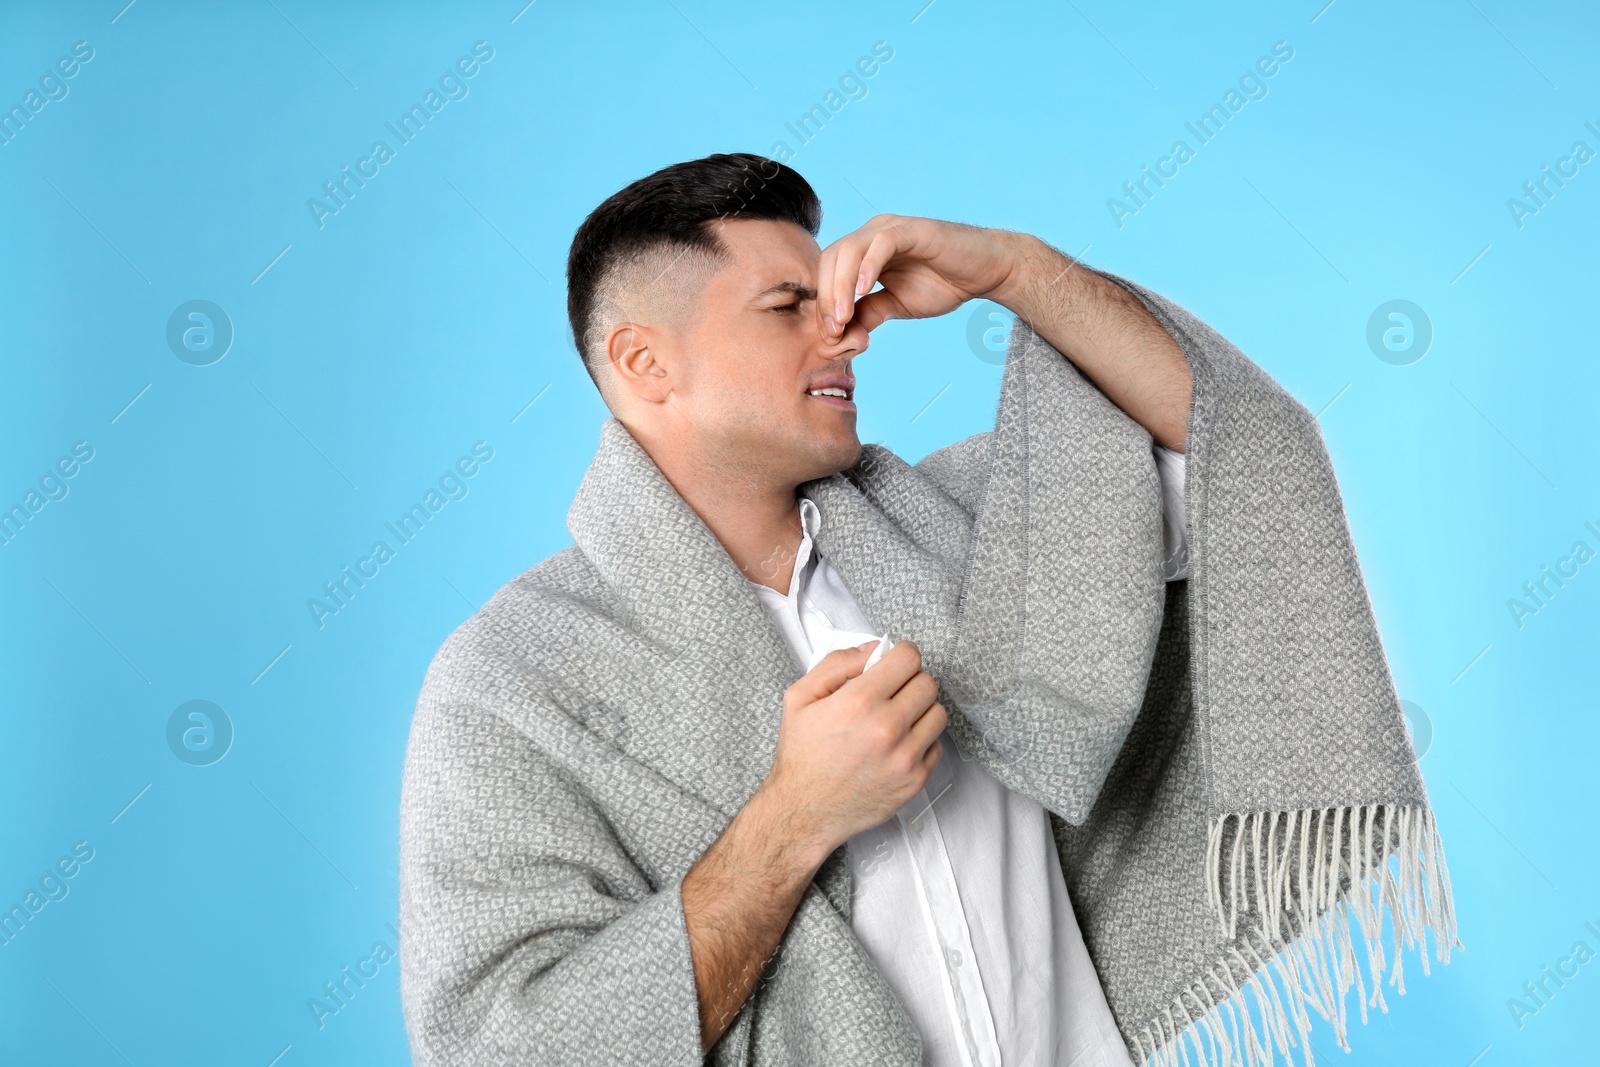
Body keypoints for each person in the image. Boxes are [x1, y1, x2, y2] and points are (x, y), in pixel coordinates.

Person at [398, 153, 1455, 1067]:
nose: (845, 333)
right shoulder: (515, 679)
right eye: (786, 307)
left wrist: (1014, 271)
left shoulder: (964, 528)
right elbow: (509, 1043)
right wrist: (792, 818)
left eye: (832, 297)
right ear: (643, 361)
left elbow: (1233, 453)